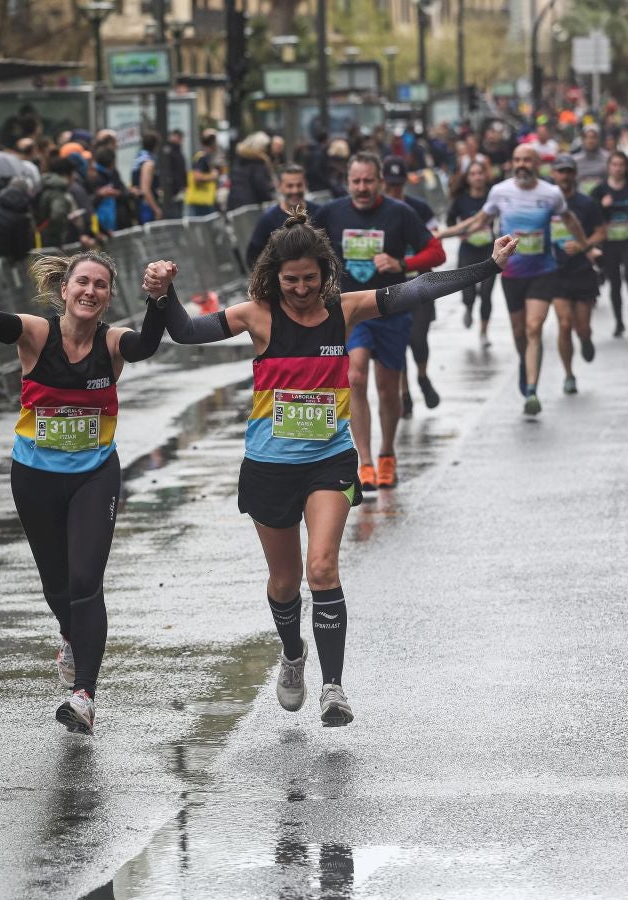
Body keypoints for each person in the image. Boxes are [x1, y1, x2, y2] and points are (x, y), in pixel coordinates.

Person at [161, 209, 516, 725]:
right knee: (284, 580)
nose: (301, 289)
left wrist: (488, 267)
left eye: (310, 279)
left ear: (325, 273)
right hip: (269, 465)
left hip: (328, 459)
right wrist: (162, 294)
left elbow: (417, 290)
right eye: (290, 280)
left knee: (322, 567)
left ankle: (333, 686)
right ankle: (292, 654)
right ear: (272, 277)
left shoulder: (344, 310)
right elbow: (187, 332)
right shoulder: (255, 315)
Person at [0, 237, 168, 735]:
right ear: (65, 287)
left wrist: (158, 300)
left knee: (85, 580)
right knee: (56, 585)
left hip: (94, 474)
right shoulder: (35, 333)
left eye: (100, 285)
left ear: (109, 294)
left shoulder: (114, 342)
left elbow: (148, 345)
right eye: (83, 282)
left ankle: (84, 695)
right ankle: (71, 640)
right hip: (34, 477)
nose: (90, 291)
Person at [313, 153, 444, 491]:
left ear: (380, 182)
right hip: (351, 311)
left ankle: (387, 453)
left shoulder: (400, 213)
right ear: (347, 182)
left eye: (368, 180)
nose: (362, 187)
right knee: (355, 377)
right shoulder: (331, 213)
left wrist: (402, 262)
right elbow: (305, 249)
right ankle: (365, 462)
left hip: (392, 311)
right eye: (356, 181)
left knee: (388, 389)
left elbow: (436, 253)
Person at [436, 144, 588, 416]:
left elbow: (570, 220)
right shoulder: (500, 192)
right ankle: (525, 362)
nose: (521, 165)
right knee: (519, 332)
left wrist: (584, 246)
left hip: (543, 271)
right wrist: (442, 235)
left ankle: (531, 390)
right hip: (512, 274)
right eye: (517, 159)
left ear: (537, 163)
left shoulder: (550, 193)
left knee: (533, 327)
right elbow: (477, 221)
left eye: (527, 160)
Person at [381, 155, 442, 418]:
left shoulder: (419, 208)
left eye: (398, 184)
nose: (394, 189)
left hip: (420, 284)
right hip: (390, 289)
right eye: (390, 184)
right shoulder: (377, 212)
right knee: (398, 342)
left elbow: (434, 243)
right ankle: (404, 393)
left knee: (417, 337)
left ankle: (422, 376)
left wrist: (406, 261)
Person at [548, 154, 606, 396]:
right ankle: (569, 374)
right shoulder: (545, 204)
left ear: (575, 174)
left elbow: (602, 232)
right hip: (555, 271)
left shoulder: (586, 203)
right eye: (560, 171)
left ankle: (585, 339)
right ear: (554, 174)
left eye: (569, 171)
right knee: (564, 324)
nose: (565, 176)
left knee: (581, 327)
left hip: (582, 271)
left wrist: (583, 245)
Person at [590, 152, 628, 337]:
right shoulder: (600, 190)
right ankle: (619, 322)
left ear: (626, 167)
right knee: (614, 283)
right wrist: (602, 206)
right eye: (614, 164)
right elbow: (589, 212)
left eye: (621, 165)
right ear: (609, 167)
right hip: (610, 243)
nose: (617, 168)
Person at [446, 160, 497, 345]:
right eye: (473, 174)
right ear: (467, 178)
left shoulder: (492, 197)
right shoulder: (461, 199)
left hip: (489, 252)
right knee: (468, 293)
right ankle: (468, 306)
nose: (477, 177)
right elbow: (450, 220)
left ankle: (483, 332)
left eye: (480, 173)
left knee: (486, 293)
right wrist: (461, 234)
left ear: (485, 175)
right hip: (467, 252)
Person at [246, 165, 312, 270]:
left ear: (305, 184)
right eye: (290, 186)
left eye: (299, 185)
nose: (295, 190)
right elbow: (253, 257)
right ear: (279, 187)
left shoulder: (319, 212)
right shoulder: (268, 220)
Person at [227, 131, 275, 211]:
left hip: (234, 205)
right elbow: (261, 186)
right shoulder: (258, 163)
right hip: (252, 207)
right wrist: (271, 199)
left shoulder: (239, 160)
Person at [184, 130, 221, 217]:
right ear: (212, 143)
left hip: (204, 199)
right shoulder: (202, 157)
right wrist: (213, 176)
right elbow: (197, 177)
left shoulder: (203, 156)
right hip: (202, 200)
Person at [130, 132, 164, 225]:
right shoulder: (148, 163)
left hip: (139, 203)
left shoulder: (138, 158)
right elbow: (145, 188)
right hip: (145, 206)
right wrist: (156, 208)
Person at [572, 125, 609, 195]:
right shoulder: (575, 160)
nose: (590, 141)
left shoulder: (607, 158)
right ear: (583, 140)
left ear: (598, 139)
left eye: (593, 138)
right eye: (587, 137)